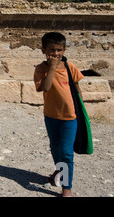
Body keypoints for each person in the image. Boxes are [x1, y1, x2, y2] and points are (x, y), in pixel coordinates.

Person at [34, 32, 84, 197]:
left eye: (59, 50)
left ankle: (66, 188)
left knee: (66, 151)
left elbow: (76, 88)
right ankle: (59, 171)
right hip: (51, 116)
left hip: (70, 117)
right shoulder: (41, 69)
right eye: (52, 50)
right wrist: (52, 68)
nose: (55, 53)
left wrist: (82, 110)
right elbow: (46, 87)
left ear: (64, 50)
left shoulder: (70, 67)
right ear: (43, 50)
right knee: (55, 148)